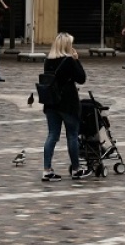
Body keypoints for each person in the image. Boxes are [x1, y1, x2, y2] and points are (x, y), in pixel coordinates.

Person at [41, 33, 90, 181]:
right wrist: (77, 60)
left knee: (52, 135)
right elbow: (82, 78)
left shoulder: (47, 61)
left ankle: (47, 169)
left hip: (51, 103)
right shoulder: (69, 61)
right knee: (72, 135)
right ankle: (76, 169)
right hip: (68, 103)